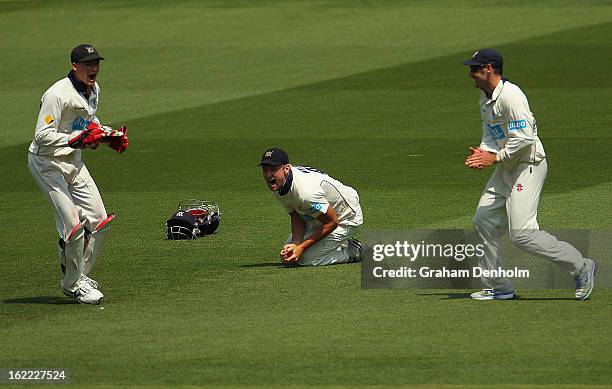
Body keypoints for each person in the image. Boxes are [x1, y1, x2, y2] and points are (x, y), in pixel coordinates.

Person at [462, 48, 596, 300]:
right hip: (506, 167)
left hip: (528, 167)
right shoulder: (485, 97)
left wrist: (496, 157)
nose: (471, 75)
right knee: (483, 221)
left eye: (474, 69)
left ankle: (581, 266)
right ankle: (499, 287)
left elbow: (525, 138)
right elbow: (492, 134)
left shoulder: (511, 96)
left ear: (488, 68)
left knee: (523, 235)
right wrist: (483, 152)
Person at [28, 43, 128, 304]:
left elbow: (89, 123)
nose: (93, 68)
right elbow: (41, 136)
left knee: (100, 220)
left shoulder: (93, 90)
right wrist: (77, 139)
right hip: (47, 164)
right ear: (75, 66)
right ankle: (73, 284)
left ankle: (78, 273)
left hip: (74, 162)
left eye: (96, 63)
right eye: (88, 63)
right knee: (73, 225)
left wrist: (108, 135)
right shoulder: (56, 95)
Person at [259, 147, 363, 266]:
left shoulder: (306, 193)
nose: (268, 175)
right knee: (289, 259)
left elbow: (331, 222)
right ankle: (337, 243)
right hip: (318, 215)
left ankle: (354, 251)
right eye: (265, 170)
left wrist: (302, 247)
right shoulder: (279, 184)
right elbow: (295, 215)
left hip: (345, 217)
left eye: (273, 169)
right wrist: (295, 244)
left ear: (286, 168)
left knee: (306, 260)